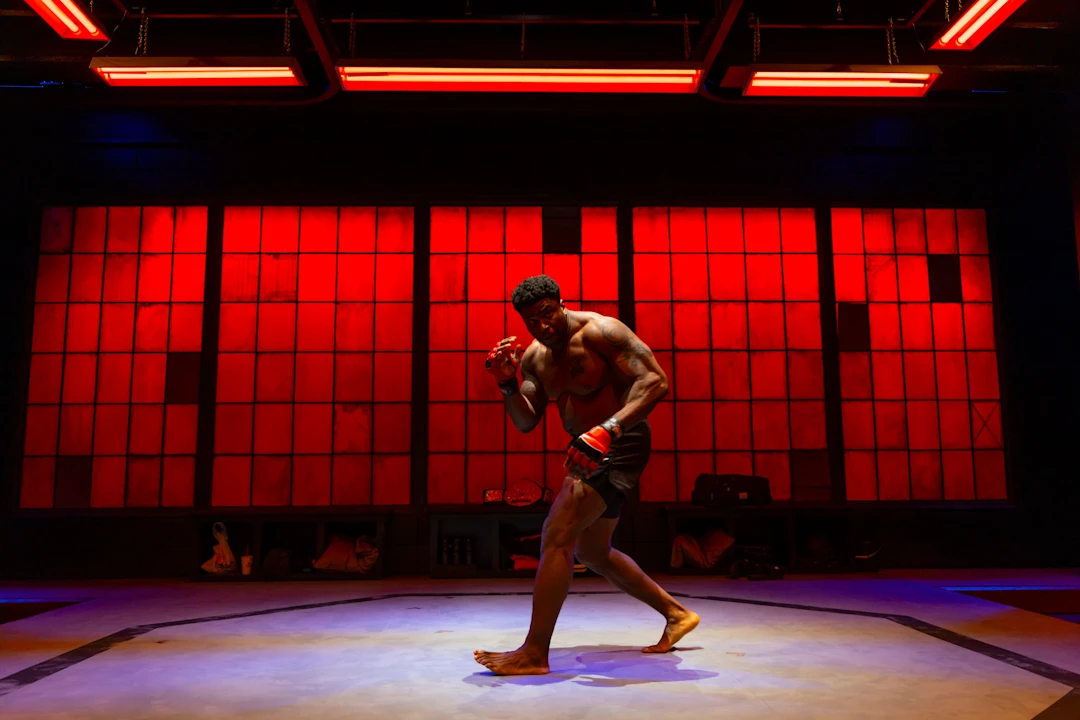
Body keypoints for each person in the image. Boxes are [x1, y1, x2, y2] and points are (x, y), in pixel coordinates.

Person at [473, 274, 699, 676]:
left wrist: (606, 430)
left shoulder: (601, 331)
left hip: (620, 439)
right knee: (592, 551)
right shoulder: (535, 359)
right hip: (587, 446)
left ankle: (533, 653)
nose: (542, 327)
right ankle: (677, 614)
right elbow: (526, 421)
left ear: (561, 303)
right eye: (532, 322)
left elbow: (655, 381)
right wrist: (506, 383)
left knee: (556, 534)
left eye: (547, 315)